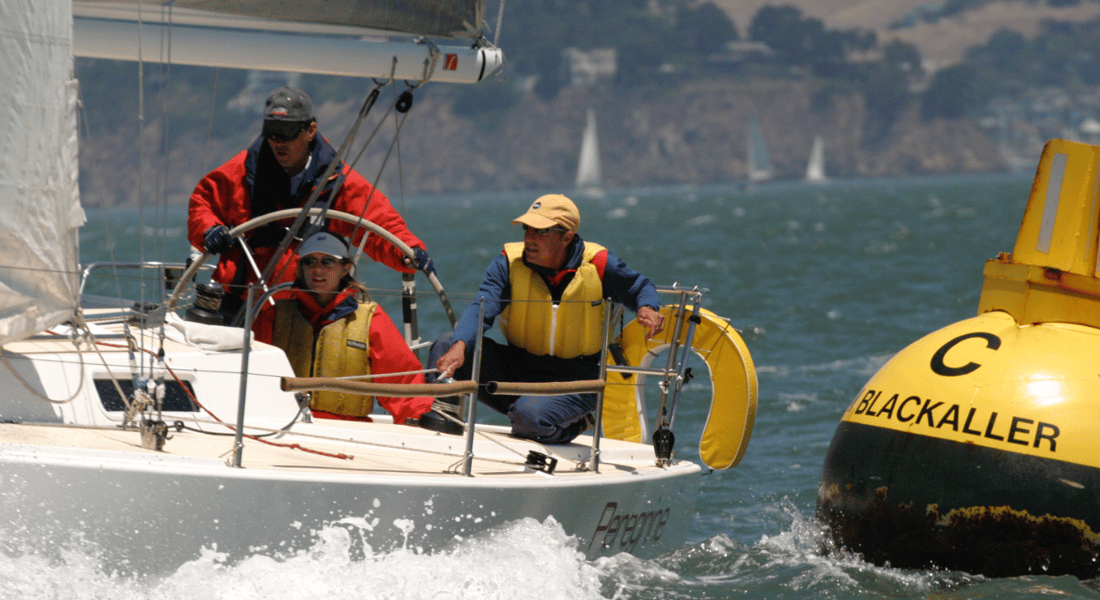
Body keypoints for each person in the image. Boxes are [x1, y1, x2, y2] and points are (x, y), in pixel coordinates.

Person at [429, 194, 666, 444]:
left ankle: (574, 422)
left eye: (541, 232)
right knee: (446, 344)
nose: (529, 238)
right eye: (526, 229)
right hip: (519, 367)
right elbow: (481, 307)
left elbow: (640, 288)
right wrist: (460, 345)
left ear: (567, 237)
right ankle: (445, 421)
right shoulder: (507, 264)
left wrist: (648, 308)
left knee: (528, 419)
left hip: (578, 377)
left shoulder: (599, 264)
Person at [187, 86, 434, 324]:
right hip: (241, 302)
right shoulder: (242, 171)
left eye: (287, 132)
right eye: (272, 131)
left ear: (310, 130)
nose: (278, 141)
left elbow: (379, 221)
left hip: (306, 310)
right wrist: (210, 230)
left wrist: (408, 252)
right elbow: (203, 203)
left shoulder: (336, 181)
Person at [253, 231, 433, 425]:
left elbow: (403, 385)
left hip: (348, 432)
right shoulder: (273, 317)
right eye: (310, 262)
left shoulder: (371, 320)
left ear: (345, 268)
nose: (318, 270)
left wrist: (420, 422)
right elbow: (251, 377)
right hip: (283, 426)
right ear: (300, 268)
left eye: (328, 262)